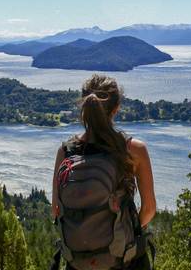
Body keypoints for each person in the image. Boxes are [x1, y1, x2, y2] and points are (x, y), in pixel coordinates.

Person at [51, 74, 156, 270]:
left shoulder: (66, 152)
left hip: (77, 262)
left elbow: (56, 210)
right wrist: (126, 235)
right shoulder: (133, 150)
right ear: (116, 109)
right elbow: (149, 210)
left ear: (84, 109)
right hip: (124, 262)